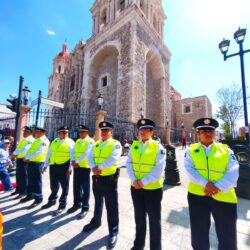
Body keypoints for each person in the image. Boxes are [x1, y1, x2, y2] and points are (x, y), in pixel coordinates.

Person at [184, 117, 239, 250]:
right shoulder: (191, 150)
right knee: (198, 234)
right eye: (203, 131)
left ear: (214, 132)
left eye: (210, 131)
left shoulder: (226, 150)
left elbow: (233, 171)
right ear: (198, 134)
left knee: (227, 236)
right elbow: (189, 169)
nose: (207, 133)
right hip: (198, 196)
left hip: (224, 197)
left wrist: (217, 187)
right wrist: (206, 184)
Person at [126, 118, 166, 250]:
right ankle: (138, 244)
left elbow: (158, 169)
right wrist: (134, 180)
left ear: (151, 132)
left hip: (152, 189)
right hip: (136, 188)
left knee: (154, 221)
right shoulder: (135, 145)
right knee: (139, 217)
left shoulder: (158, 147)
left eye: (145, 129)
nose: (142, 132)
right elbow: (129, 163)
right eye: (141, 129)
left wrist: (142, 182)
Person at [82, 121, 122, 249]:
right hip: (97, 178)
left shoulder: (115, 144)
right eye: (102, 131)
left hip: (109, 179)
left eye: (106, 131)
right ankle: (96, 221)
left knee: (112, 206)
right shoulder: (97, 144)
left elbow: (114, 158)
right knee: (98, 202)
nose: (104, 133)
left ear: (111, 132)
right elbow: (90, 157)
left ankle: (113, 231)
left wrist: (100, 167)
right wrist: (93, 167)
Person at [41, 126, 75, 216]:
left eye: (66, 132)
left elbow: (73, 156)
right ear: (58, 133)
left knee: (64, 186)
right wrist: (45, 165)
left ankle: (62, 204)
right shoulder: (55, 141)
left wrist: (70, 168)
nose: (64, 134)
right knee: (53, 184)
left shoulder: (70, 142)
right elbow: (49, 153)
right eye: (62, 132)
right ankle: (52, 200)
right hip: (54, 165)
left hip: (64, 166)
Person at [67, 125, 94, 219]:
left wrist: (76, 162)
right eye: (80, 132)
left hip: (85, 167)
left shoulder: (90, 141)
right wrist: (73, 162)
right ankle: (77, 204)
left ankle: (85, 207)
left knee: (85, 188)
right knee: (76, 186)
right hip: (76, 166)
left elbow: (87, 153)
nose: (81, 133)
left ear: (87, 132)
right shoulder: (78, 141)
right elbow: (73, 152)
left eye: (83, 132)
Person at [21, 126, 50, 209]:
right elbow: (30, 150)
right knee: (30, 179)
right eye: (36, 132)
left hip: (38, 162)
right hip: (31, 162)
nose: (36, 133)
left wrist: (28, 158)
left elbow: (39, 152)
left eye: (37, 132)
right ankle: (30, 195)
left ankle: (38, 198)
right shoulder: (36, 140)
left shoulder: (45, 141)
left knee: (37, 180)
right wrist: (26, 156)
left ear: (42, 132)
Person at [11, 126, 34, 198]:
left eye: (25, 132)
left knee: (24, 176)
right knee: (18, 176)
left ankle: (23, 192)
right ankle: (18, 189)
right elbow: (19, 148)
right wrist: (16, 153)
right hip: (19, 159)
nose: (23, 133)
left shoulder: (30, 140)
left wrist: (14, 153)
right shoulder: (24, 139)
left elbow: (25, 149)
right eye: (23, 131)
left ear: (29, 133)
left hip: (25, 160)